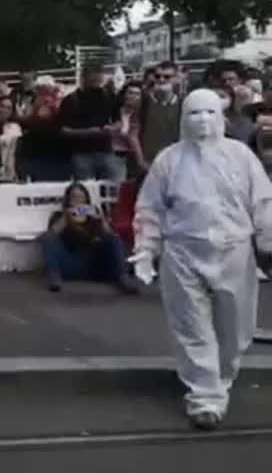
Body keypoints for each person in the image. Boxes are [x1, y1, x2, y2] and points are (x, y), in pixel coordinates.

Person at [130, 89, 272, 431]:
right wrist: (146, 248)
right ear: (184, 118)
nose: (203, 120)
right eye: (194, 113)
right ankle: (204, 394)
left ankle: (222, 376)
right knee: (191, 324)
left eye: (209, 112)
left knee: (235, 325)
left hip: (233, 250)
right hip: (183, 251)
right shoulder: (169, 160)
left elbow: (264, 201)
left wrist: (268, 239)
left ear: (221, 115)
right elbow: (150, 207)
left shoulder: (240, 156)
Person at [41, 182, 135, 294]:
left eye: (81, 198)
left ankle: (123, 278)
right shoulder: (58, 215)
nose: (78, 201)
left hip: (92, 263)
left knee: (114, 239)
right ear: (68, 200)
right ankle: (54, 279)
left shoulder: (93, 215)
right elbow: (51, 236)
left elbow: (110, 236)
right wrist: (67, 216)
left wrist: (101, 219)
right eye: (74, 198)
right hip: (70, 262)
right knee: (47, 237)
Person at [60, 66, 121, 181]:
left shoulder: (109, 96)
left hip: (106, 151)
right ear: (83, 79)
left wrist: (112, 128)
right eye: (93, 81)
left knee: (112, 190)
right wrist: (87, 132)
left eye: (99, 81)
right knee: (85, 190)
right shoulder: (70, 100)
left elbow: (118, 121)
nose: (97, 85)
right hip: (81, 154)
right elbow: (63, 130)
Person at [139, 61, 182, 170]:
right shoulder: (145, 101)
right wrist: (141, 161)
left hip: (176, 162)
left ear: (176, 79)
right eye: (158, 76)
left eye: (167, 77)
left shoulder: (184, 103)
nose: (161, 80)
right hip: (149, 163)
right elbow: (134, 132)